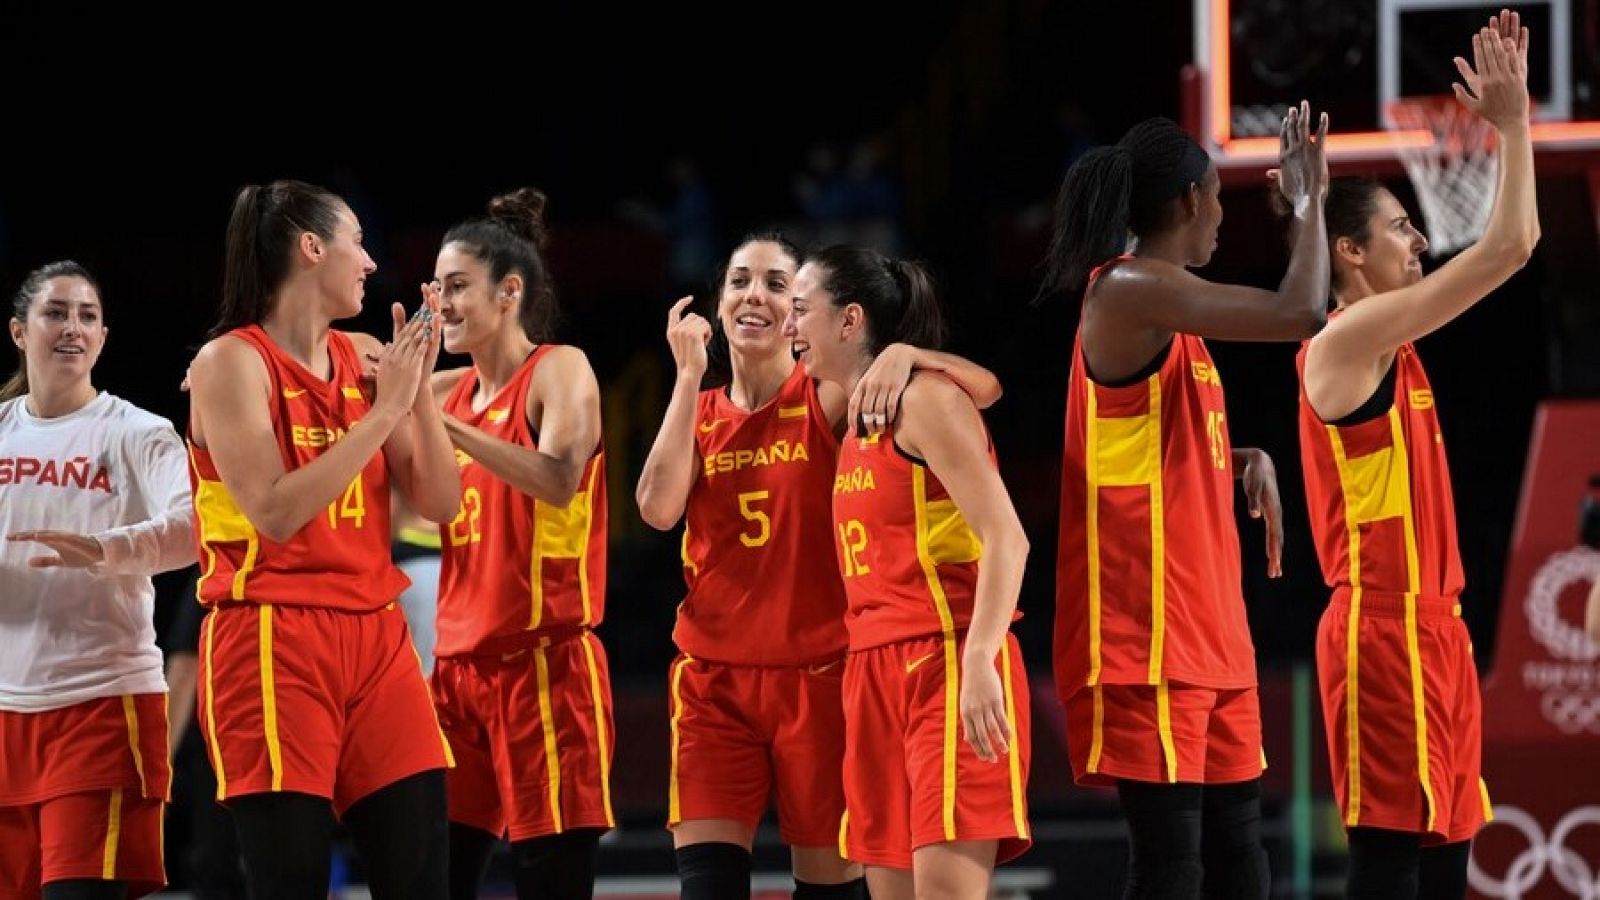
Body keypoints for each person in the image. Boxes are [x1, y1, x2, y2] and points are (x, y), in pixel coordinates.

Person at [635, 232, 1002, 899]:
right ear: (717, 307)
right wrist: (688, 375)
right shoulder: (701, 413)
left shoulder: (827, 395)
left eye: (778, 285)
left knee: (830, 887)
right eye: (740, 280)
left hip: (822, 678)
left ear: (800, 314)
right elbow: (657, 509)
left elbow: (982, 389)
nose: (756, 295)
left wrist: (903, 354)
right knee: (706, 886)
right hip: (715, 683)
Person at [1044, 106, 1332, 898]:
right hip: (1148, 634)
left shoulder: (1176, 319)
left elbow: (1138, 445)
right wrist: (1308, 207)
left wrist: (1242, 456)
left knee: (1243, 862)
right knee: (1173, 867)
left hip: (1209, 629)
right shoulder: (1130, 291)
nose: (1221, 216)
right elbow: (1298, 313)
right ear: (1187, 203)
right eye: (1218, 199)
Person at [1293, 13, 1535, 898]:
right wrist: (1510, 128)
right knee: (1390, 871)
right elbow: (1511, 248)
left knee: (1447, 866)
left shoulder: (1398, 350)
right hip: (1379, 632)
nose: (1420, 239)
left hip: (1439, 628)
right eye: (1399, 227)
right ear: (1349, 253)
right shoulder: (1344, 343)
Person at [184, 179, 461, 898]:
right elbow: (275, 513)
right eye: (357, 242)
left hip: (376, 634)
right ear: (312, 248)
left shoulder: (368, 354)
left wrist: (419, 394)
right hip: (271, 637)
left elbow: (438, 503)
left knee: (424, 872)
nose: (370, 262)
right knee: (293, 880)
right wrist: (384, 412)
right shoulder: (230, 362)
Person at [779, 244, 1031, 900]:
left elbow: (1009, 538)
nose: (788, 326)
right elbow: (991, 383)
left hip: (947, 664)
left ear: (849, 320)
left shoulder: (924, 401)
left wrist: (979, 659)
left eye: (801, 310)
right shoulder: (850, 408)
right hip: (872, 674)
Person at [422, 188, 614, 900]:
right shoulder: (444, 389)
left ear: (509, 293)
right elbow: (353, 371)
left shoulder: (559, 368)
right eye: (435, 288)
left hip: (544, 663)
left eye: (457, 287)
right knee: (432, 875)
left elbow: (560, 478)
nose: (441, 303)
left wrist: (440, 423)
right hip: (456, 671)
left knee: (550, 882)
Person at [0, 261, 196, 898]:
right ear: (18, 332)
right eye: (55, 313)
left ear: (104, 338)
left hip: (102, 706)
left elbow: (198, 528)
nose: (72, 328)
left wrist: (102, 548)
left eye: (87, 316)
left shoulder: (139, 433)